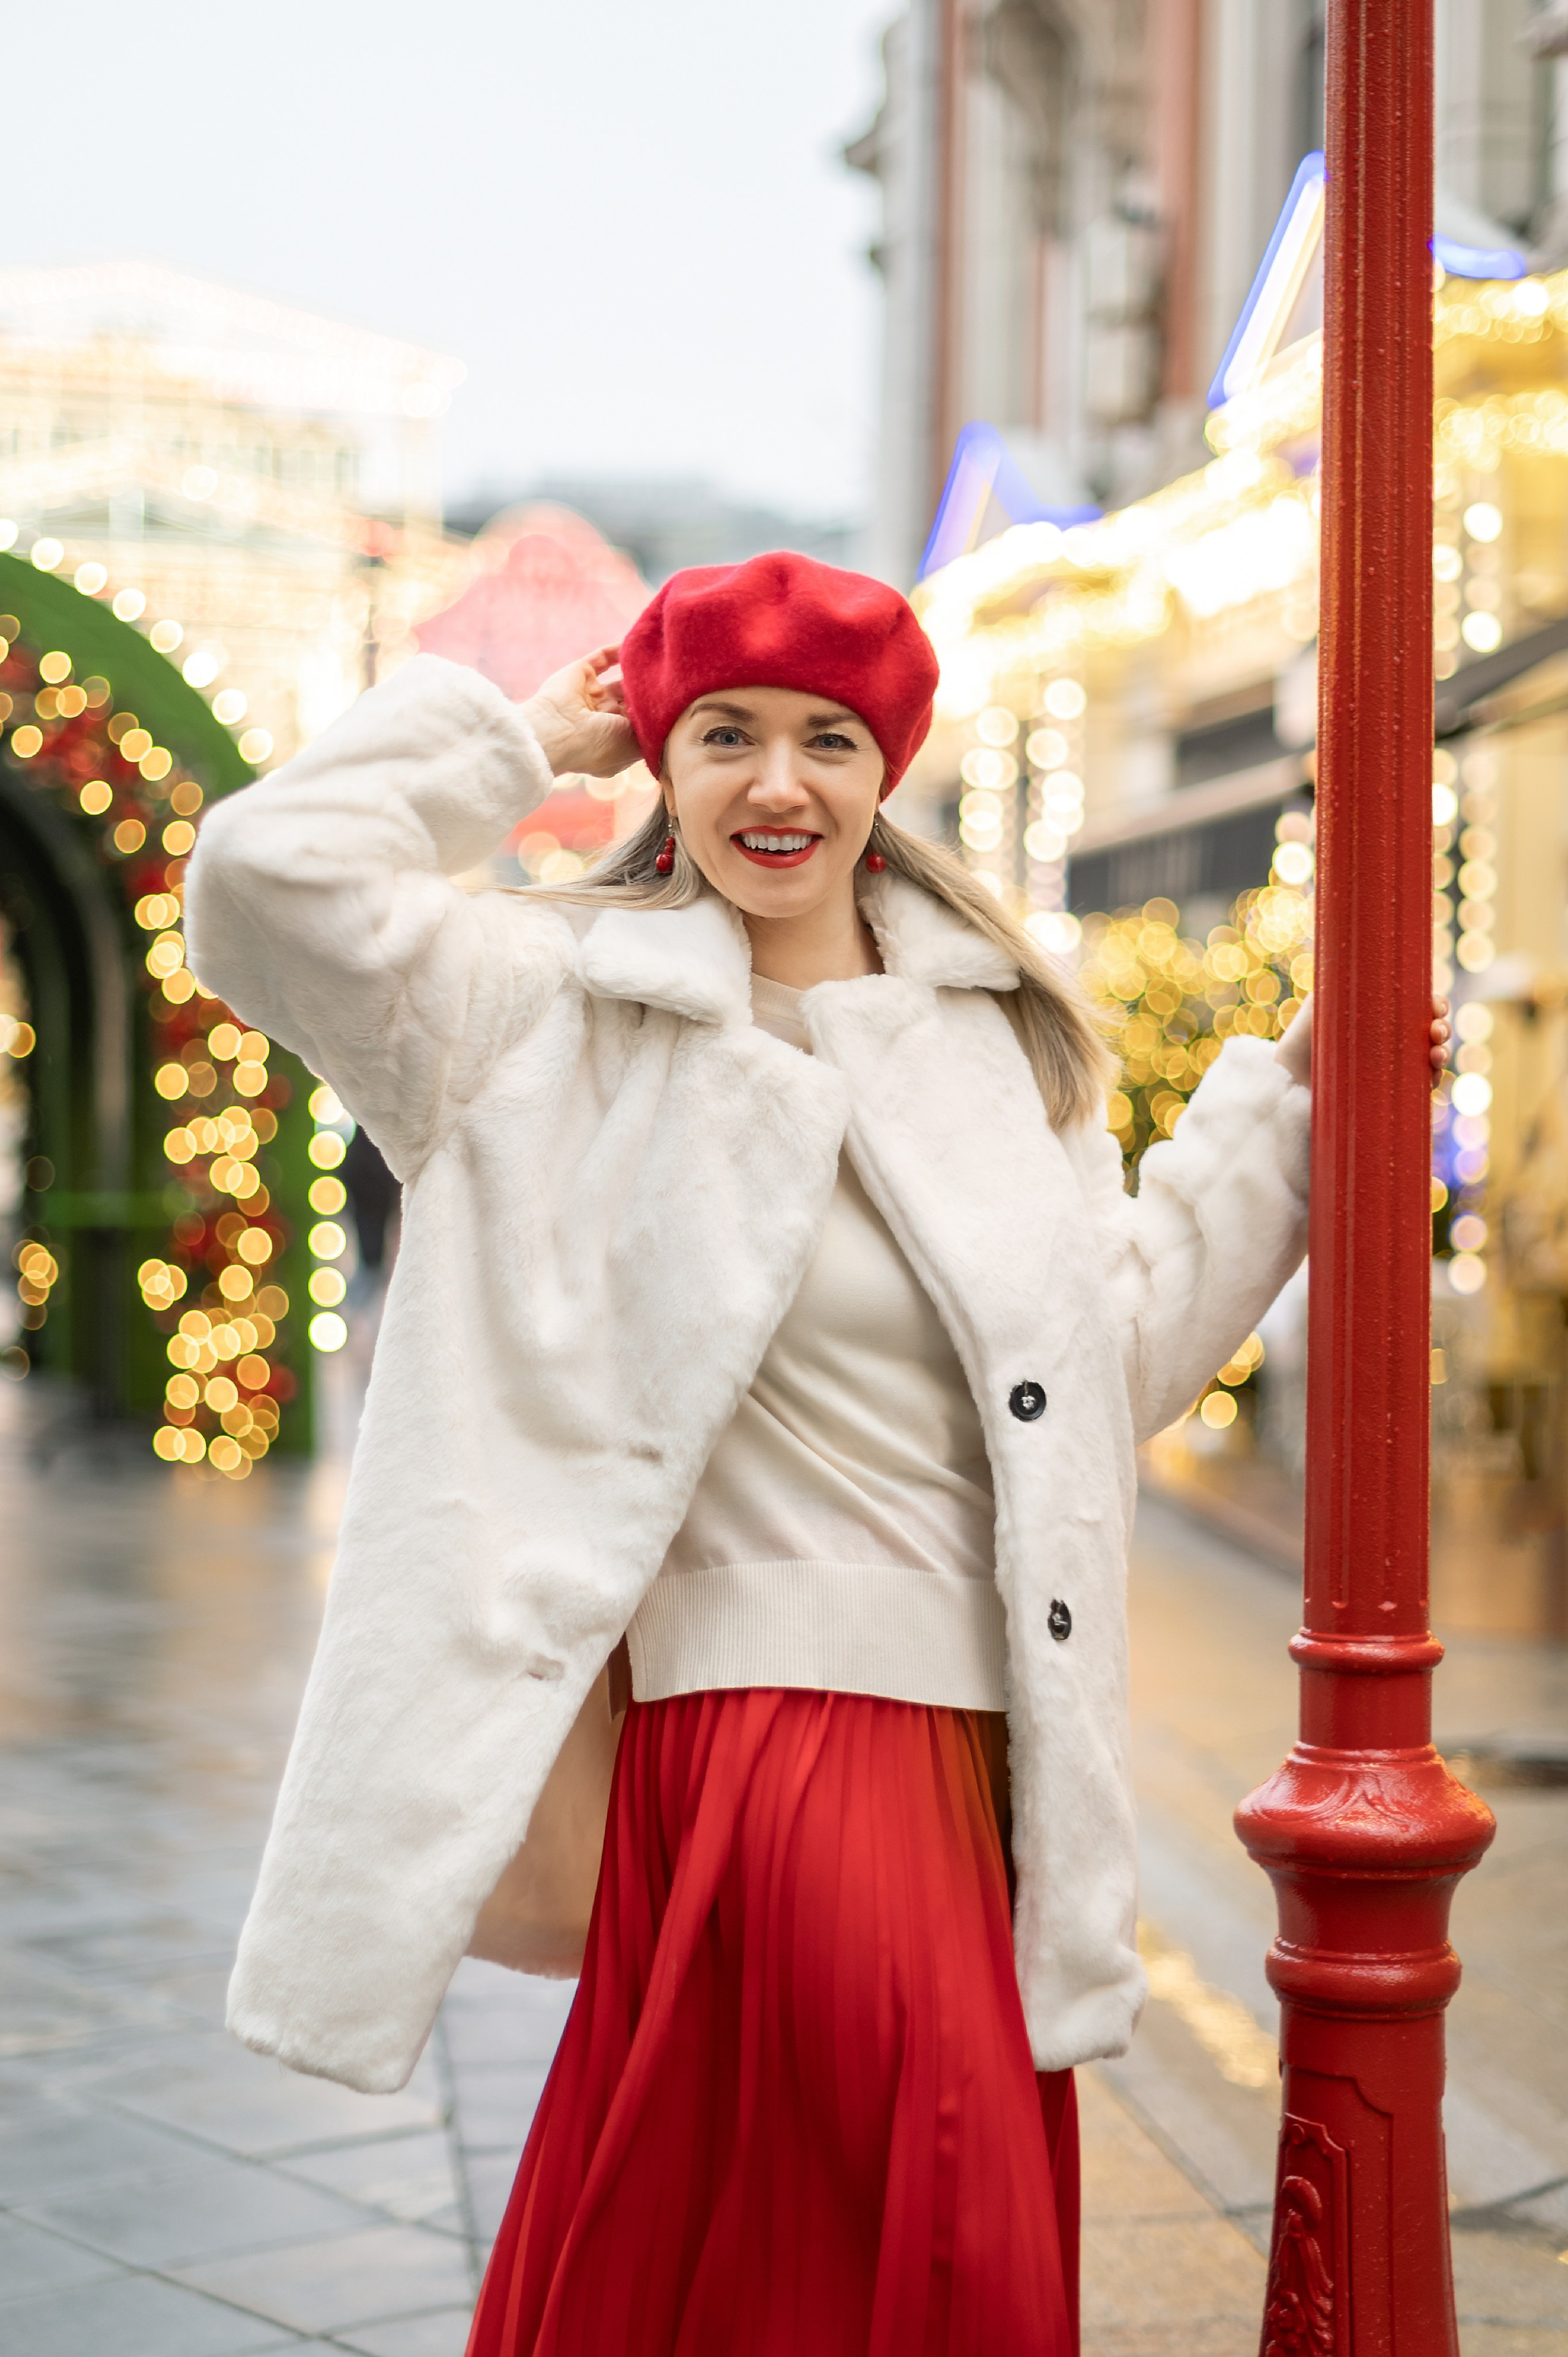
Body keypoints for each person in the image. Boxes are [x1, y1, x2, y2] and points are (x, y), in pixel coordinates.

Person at [186, 551, 1449, 2357]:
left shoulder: (991, 1038)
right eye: (725, 734)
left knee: (807, 2245)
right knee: (935, 2251)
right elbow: (260, 881)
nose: (778, 785)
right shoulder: (533, 1006)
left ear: (888, 770)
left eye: (827, 740)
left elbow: (1108, 1362)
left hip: (979, 1756)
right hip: (767, 1741)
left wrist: (1296, 1110)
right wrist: (535, 733)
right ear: (663, 758)